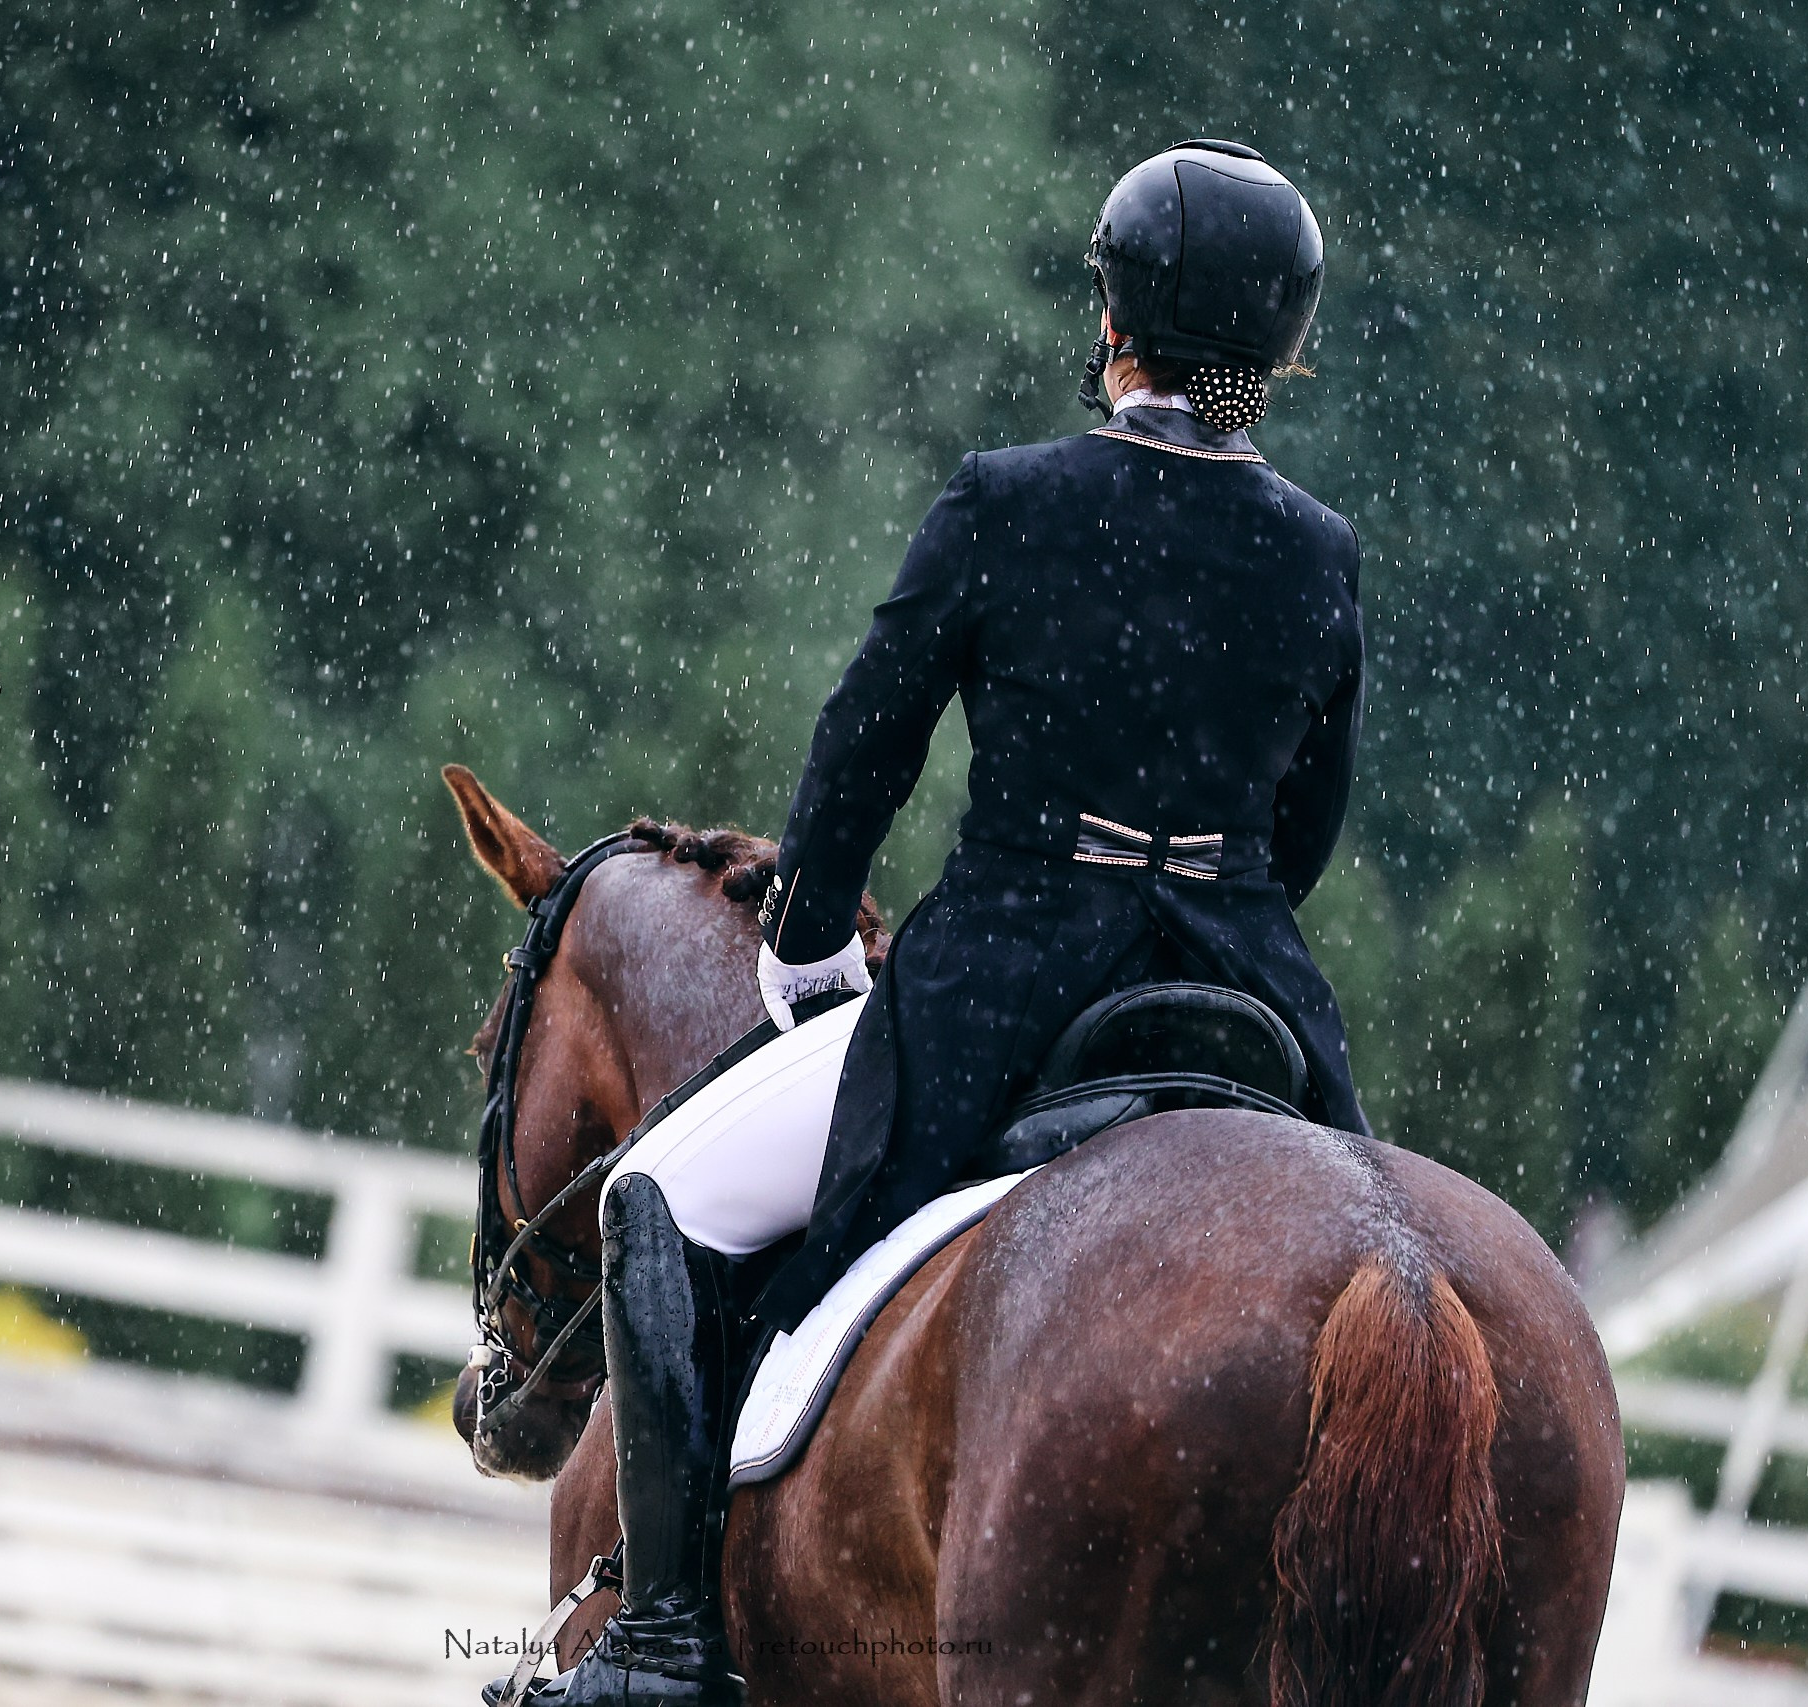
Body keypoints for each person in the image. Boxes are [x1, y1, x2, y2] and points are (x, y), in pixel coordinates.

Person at [510, 139, 1367, 1707]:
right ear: (1276, 352)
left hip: (1003, 990)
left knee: (659, 1198)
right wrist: (1202, 908)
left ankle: (661, 1639)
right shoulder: (1318, 549)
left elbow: (864, 750)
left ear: (1116, 322)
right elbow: (1303, 831)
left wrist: (812, 946)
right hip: (1254, 1002)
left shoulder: (1011, 499)